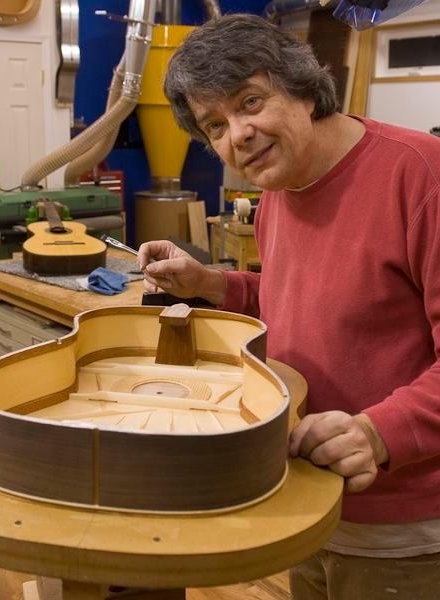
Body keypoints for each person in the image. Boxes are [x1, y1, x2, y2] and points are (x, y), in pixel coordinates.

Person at [137, 13, 440, 600]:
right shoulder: (279, 190)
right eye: (215, 125)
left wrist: (380, 433)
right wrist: (209, 282)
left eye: (250, 101)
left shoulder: (421, 175)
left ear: (302, 86)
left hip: (406, 532)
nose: (237, 136)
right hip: (308, 499)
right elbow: (299, 297)